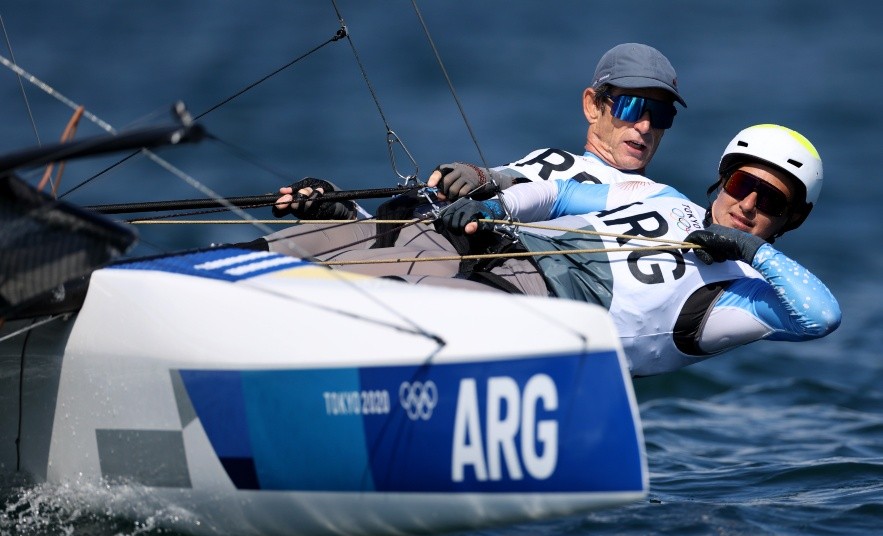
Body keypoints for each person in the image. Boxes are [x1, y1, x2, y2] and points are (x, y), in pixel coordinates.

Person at [257, 124, 840, 377]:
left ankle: (274, 346)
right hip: (497, 249)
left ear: (792, 219)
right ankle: (312, 238)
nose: (749, 205)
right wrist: (492, 206)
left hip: (535, 313)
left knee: (395, 290)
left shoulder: (743, 296)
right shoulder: (657, 193)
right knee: (361, 239)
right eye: (743, 186)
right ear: (723, 181)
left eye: (771, 202)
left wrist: (748, 250)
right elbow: (558, 194)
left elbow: (822, 316)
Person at [271, 42, 687, 222]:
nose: (646, 126)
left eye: (661, 114)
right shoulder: (550, 158)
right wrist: (477, 177)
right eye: (633, 107)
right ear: (592, 105)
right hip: (463, 233)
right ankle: (351, 217)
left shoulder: (658, 202)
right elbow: (510, 184)